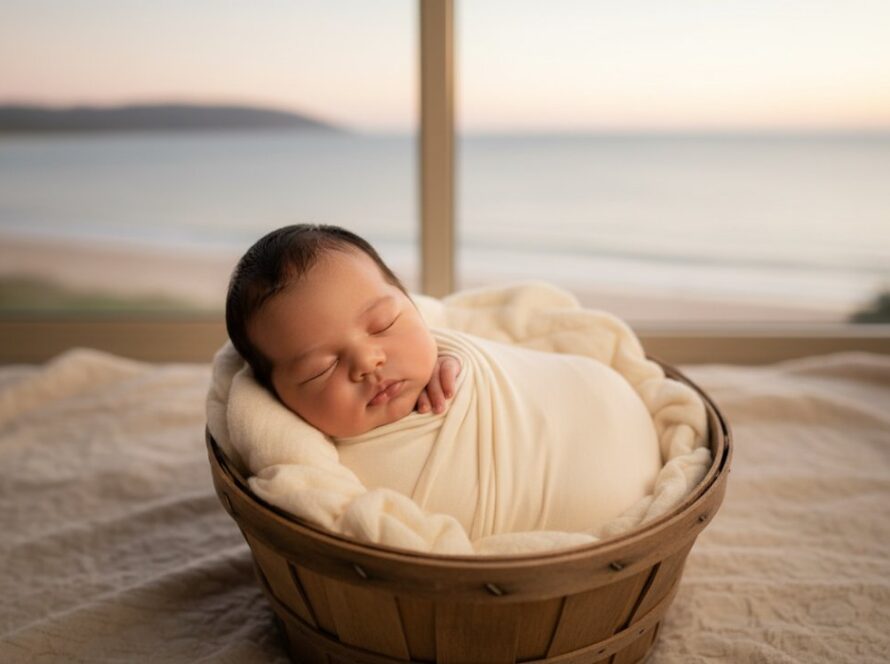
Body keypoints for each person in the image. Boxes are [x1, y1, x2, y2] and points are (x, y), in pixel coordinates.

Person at [225, 224, 462, 438]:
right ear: (278, 399)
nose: (367, 362)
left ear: (411, 303)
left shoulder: (452, 360)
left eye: (383, 324)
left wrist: (455, 361)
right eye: (321, 368)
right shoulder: (306, 453)